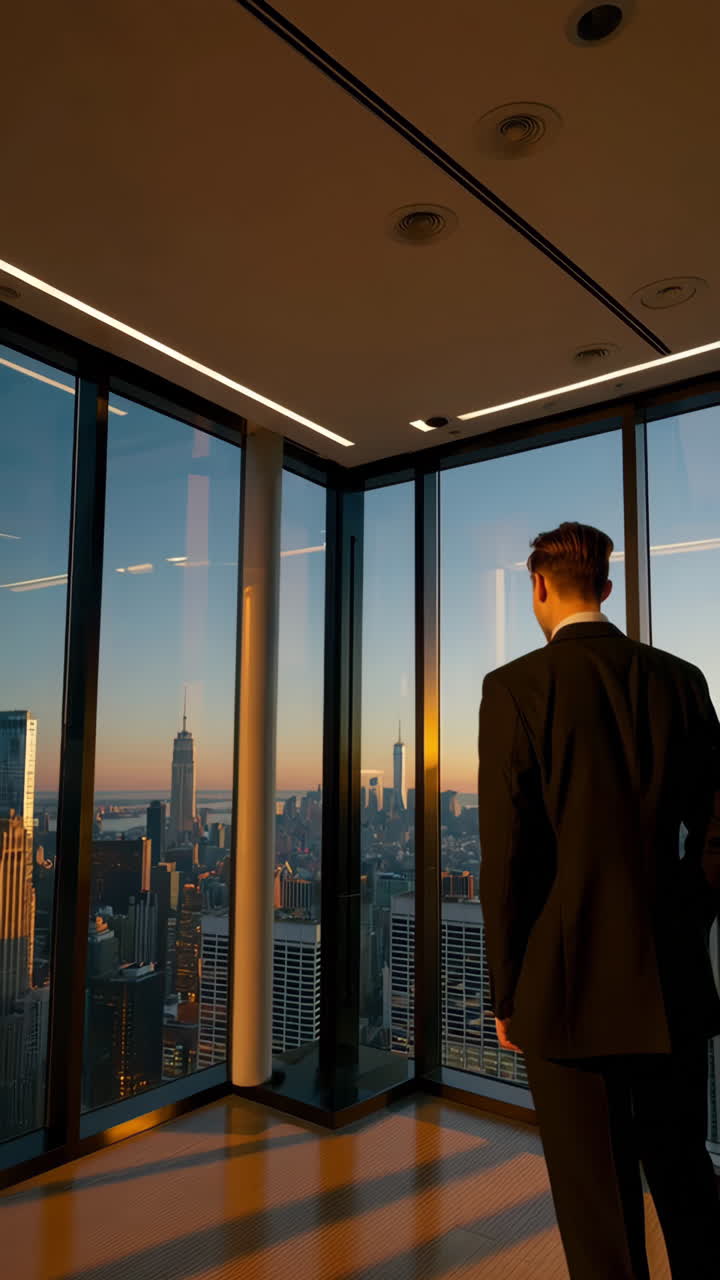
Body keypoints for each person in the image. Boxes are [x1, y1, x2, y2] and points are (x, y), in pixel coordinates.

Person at [477, 521, 720, 1280]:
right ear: (608, 589)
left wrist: (507, 987)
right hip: (669, 980)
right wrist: (682, 916)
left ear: (538, 587)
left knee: (598, 1206)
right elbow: (718, 832)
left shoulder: (515, 687)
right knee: (686, 1177)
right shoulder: (682, 679)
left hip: (563, 984)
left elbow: (507, 856)